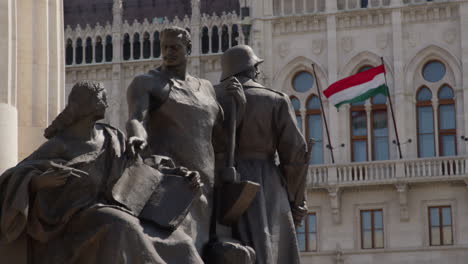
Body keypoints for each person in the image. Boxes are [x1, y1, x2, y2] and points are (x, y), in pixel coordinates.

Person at [0, 81, 204, 264]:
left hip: (118, 206)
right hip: (76, 217)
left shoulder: (112, 136)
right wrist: (39, 182)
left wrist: (181, 174)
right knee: (122, 225)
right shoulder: (60, 145)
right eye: (101, 98)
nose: (106, 102)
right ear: (84, 106)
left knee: (182, 241)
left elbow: (143, 170)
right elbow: (16, 175)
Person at [126, 26, 244, 251]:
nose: (168, 52)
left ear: (189, 49)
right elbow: (136, 119)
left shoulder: (207, 89)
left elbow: (221, 137)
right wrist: (135, 137)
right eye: (164, 47)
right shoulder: (147, 82)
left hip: (207, 187)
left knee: (202, 250)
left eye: (175, 47)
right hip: (170, 184)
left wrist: (241, 104)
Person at [216, 45, 309, 264]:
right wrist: (296, 200)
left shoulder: (211, 96)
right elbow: (296, 155)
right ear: (253, 69)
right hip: (265, 184)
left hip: (219, 183)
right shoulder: (275, 100)